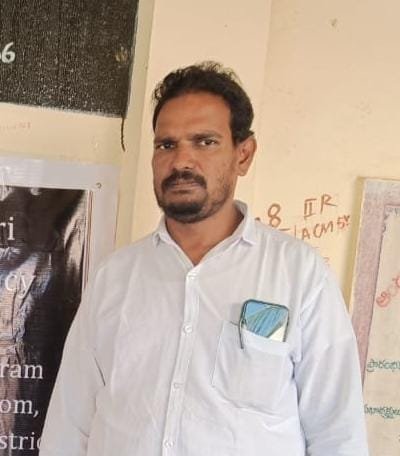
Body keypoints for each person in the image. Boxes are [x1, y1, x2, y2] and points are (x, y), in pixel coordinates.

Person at [39, 62, 368, 455]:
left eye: (205, 142)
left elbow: (338, 434)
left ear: (243, 154)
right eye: (166, 145)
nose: (181, 162)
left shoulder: (299, 275)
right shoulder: (115, 277)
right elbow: (70, 423)